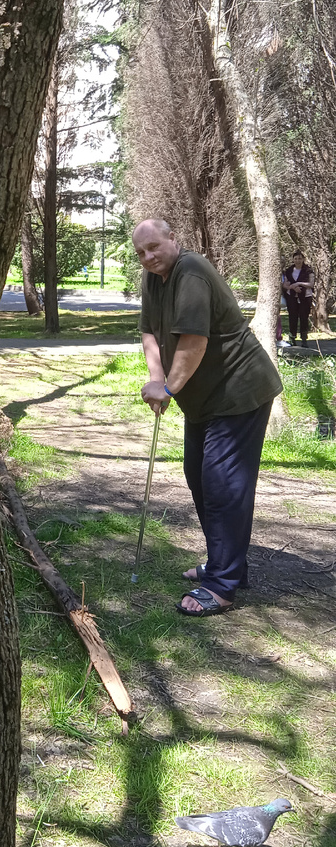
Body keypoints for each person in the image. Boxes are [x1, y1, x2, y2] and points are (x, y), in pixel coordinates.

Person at [132, 219, 283, 616]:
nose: (148, 257)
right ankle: (226, 564)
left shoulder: (192, 271)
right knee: (198, 475)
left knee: (222, 484)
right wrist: (157, 377)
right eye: (141, 252)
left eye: (154, 247)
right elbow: (149, 331)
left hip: (239, 392)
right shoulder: (153, 279)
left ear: (172, 240)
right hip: (203, 400)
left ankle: (222, 584)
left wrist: (168, 389)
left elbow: (194, 341)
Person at [281, 250, 314, 348]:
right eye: (295, 259)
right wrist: (293, 287)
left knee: (304, 317)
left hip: (305, 297)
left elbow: (311, 284)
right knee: (292, 317)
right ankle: (292, 338)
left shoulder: (308, 270)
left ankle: (304, 339)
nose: (298, 261)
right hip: (292, 297)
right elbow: (285, 284)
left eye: (300, 258)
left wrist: (299, 284)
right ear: (293, 260)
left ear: (303, 259)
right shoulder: (289, 270)